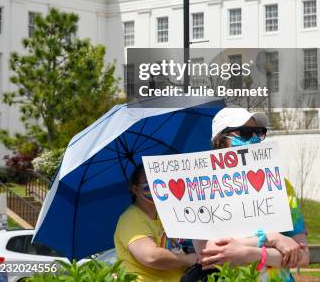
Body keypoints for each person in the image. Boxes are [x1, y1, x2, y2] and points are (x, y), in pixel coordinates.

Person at [184, 107, 309, 281]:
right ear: (221, 140)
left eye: (259, 132)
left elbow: (302, 255)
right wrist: (272, 238)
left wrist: (248, 252)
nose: (254, 138)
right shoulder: (201, 187)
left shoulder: (280, 185)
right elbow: (209, 254)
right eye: (244, 133)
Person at [114, 164, 196, 281]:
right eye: (149, 182)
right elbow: (151, 256)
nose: (157, 186)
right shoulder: (130, 218)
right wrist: (188, 259)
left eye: (159, 180)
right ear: (135, 189)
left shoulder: (165, 214)